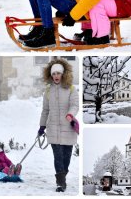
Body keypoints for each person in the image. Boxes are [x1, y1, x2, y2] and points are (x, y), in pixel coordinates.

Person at [38, 59, 79, 192]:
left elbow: (75, 105)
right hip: (53, 128)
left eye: (58, 73)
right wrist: (42, 127)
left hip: (68, 127)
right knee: (58, 157)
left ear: (63, 74)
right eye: (53, 73)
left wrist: (70, 114)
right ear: (50, 75)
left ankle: (63, 176)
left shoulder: (71, 88)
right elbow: (45, 110)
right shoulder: (48, 91)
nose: (56, 76)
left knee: (66, 158)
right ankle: (60, 183)